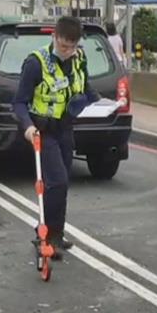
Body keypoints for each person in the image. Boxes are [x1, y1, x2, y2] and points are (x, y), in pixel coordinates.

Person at [12, 16, 102, 258]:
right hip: (43, 131)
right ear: (54, 37)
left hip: (65, 129)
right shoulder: (36, 63)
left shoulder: (78, 58)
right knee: (57, 181)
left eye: (72, 46)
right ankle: (46, 238)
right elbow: (19, 102)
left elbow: (85, 88)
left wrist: (102, 102)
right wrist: (28, 126)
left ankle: (56, 234)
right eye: (64, 46)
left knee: (61, 186)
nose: (68, 51)